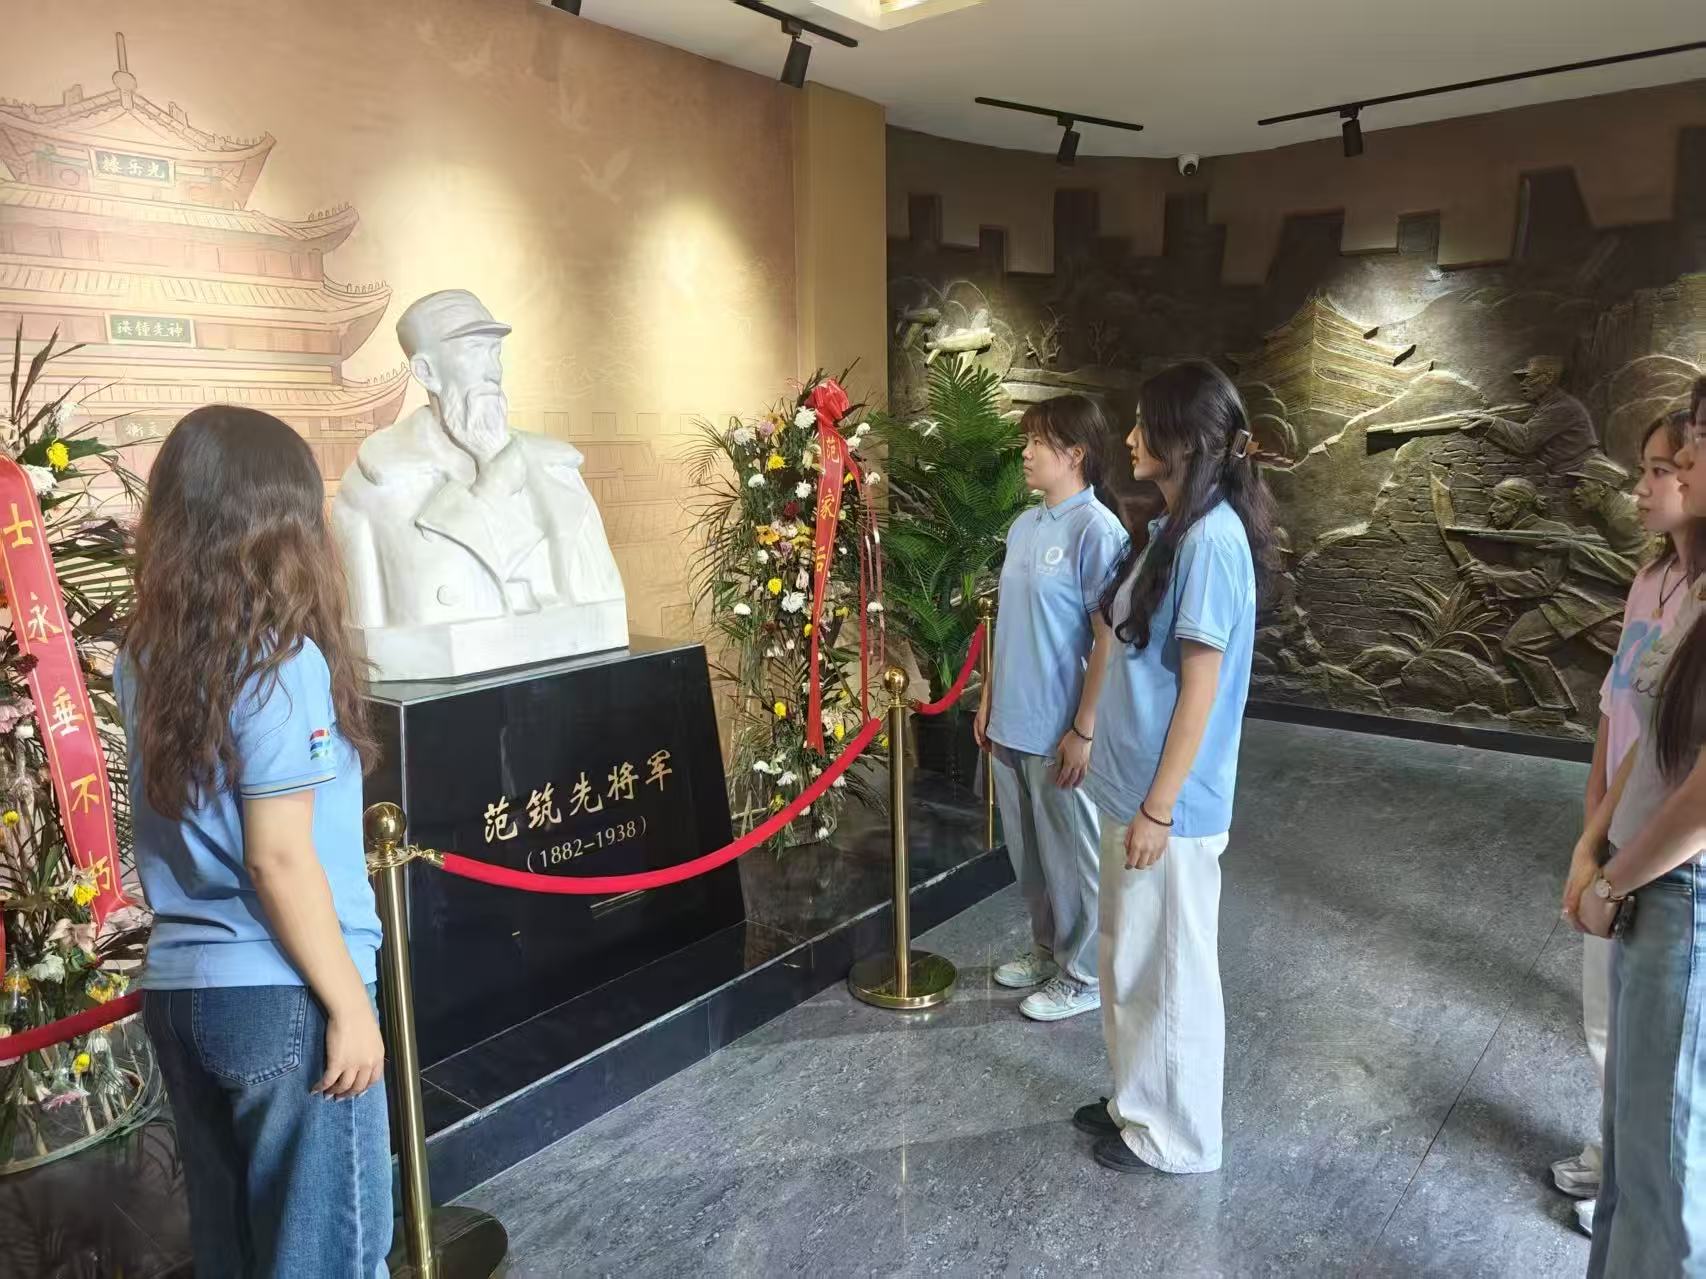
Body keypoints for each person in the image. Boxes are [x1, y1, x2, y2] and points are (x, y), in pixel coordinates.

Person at [119, 405, 393, 1278]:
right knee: (332, 1254)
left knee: (233, 1251)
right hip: (285, 993)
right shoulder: (281, 660)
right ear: (281, 522)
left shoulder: (143, 655)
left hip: (181, 992)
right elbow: (277, 856)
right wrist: (351, 1007)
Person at [1071, 360, 1275, 1174]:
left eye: (1142, 424)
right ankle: (1137, 1102)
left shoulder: (1214, 541)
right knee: (1130, 957)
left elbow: (1201, 689)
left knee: (1173, 971)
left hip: (1171, 805)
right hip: (1133, 787)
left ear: (1183, 440)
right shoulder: (1172, 527)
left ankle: (1180, 1135)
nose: (1128, 438)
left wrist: (1159, 807)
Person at [1566, 382, 1706, 1276]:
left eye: (1696, 445)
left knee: (1665, 1163)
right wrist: (1594, 842)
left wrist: (1616, 875)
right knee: (1631, 1145)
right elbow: (1634, 728)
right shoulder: (1670, 585)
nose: (1680, 464)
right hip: (1639, 869)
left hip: (1676, 889)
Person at [974, 395, 1128, 1022]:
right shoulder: (1023, 525)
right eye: (1027, 440)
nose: (1026, 452)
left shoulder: (1097, 530)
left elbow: (1108, 638)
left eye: (1038, 442)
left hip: (1060, 725)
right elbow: (1007, 622)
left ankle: (1086, 973)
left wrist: (1084, 729)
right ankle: (1047, 949)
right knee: (1030, 854)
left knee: (1073, 856)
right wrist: (988, 698)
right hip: (1011, 718)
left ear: (1076, 453)